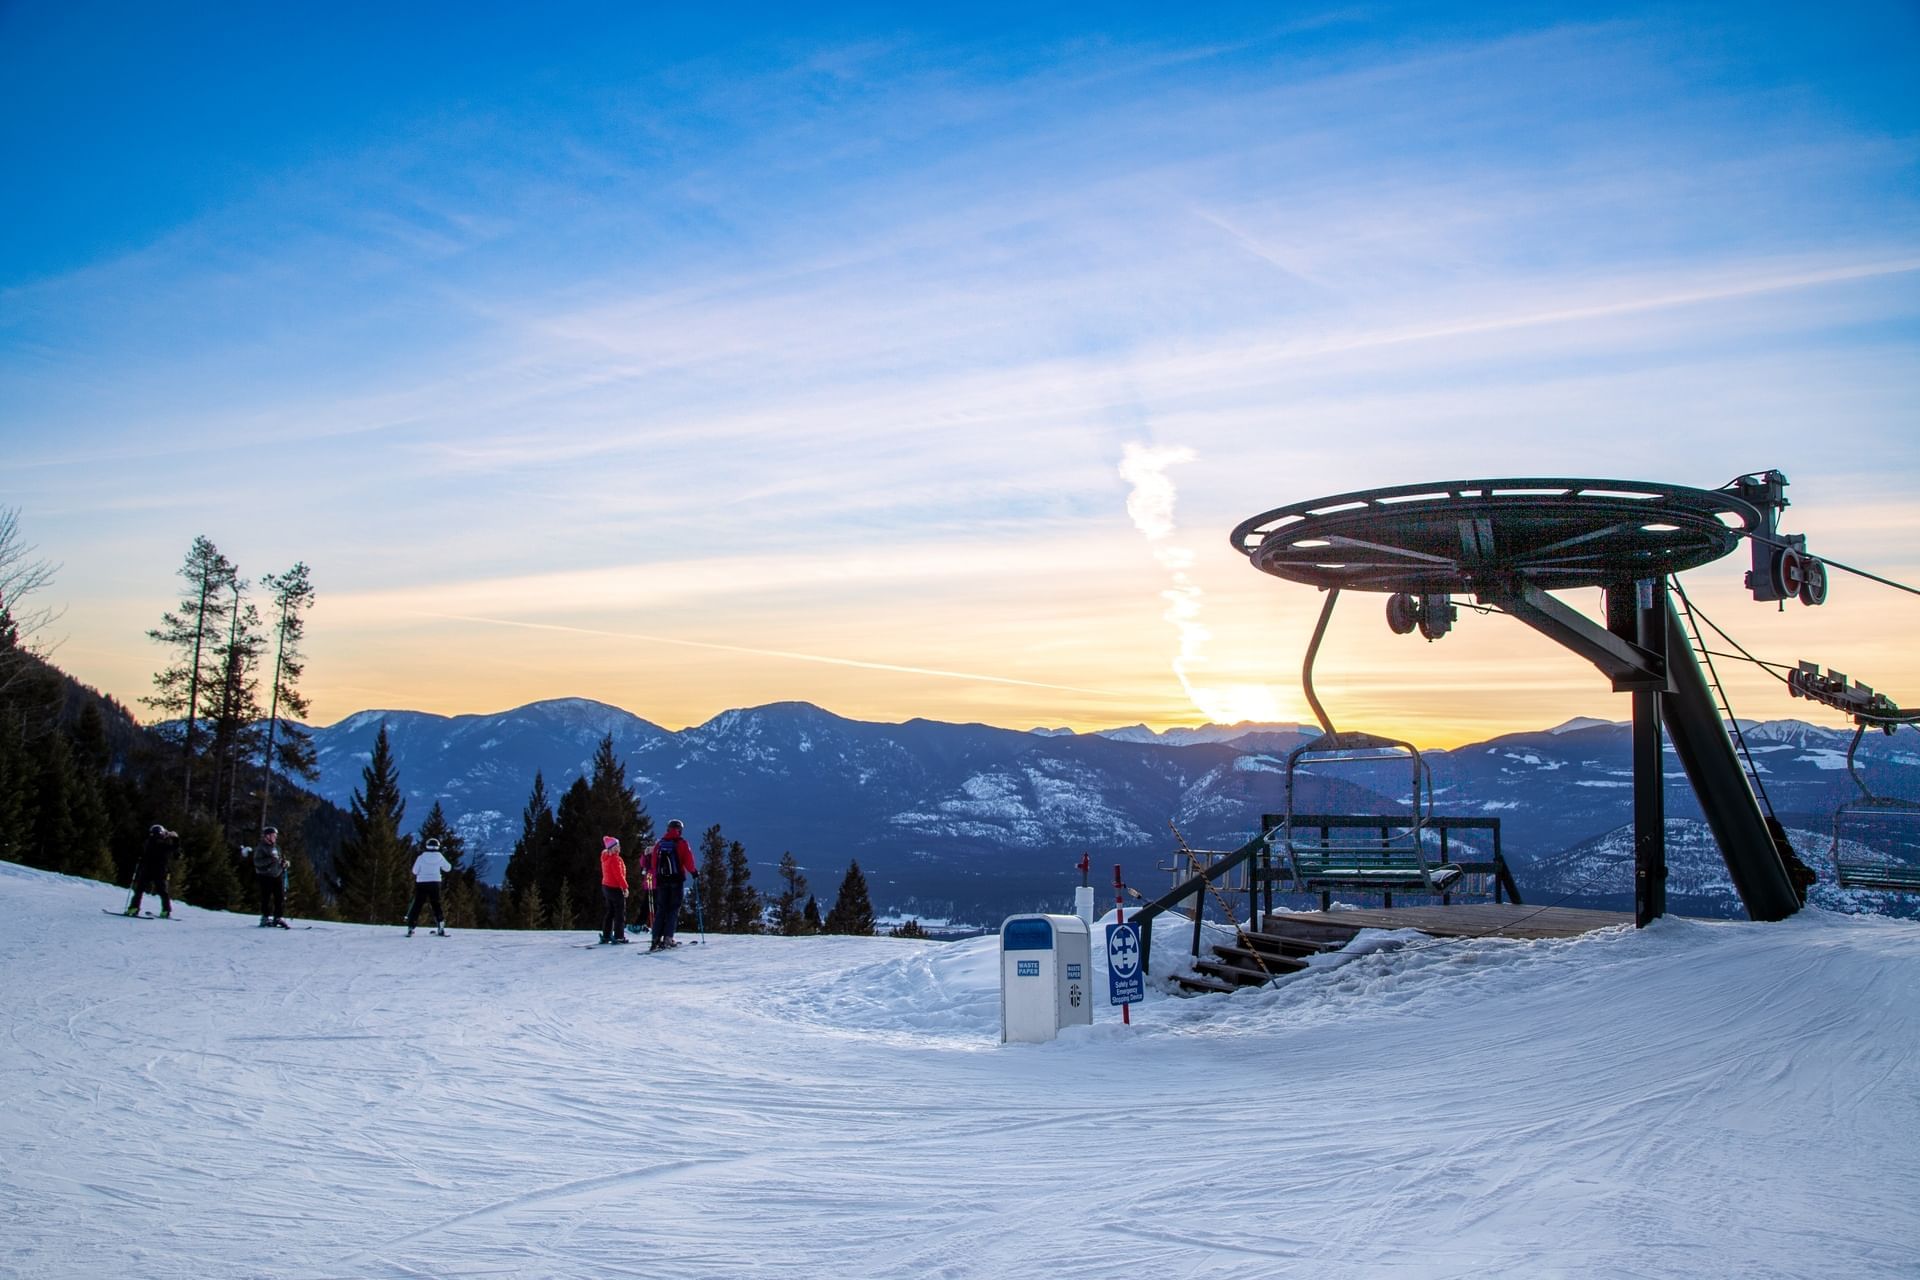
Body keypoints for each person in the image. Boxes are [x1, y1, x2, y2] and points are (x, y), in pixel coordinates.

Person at [644, 819, 697, 950]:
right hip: (676, 880)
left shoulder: (659, 844)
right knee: (673, 909)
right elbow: (688, 861)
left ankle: (655, 938)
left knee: (661, 909)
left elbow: (654, 864)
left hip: (662, 881)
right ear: (680, 830)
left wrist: (658, 876)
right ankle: (668, 938)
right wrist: (694, 872)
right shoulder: (682, 843)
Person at [126, 823, 178, 917]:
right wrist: (175, 837)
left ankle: (133, 908)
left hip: (147, 870)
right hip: (160, 872)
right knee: (162, 892)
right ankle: (166, 911)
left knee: (139, 890)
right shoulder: (163, 845)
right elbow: (175, 849)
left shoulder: (149, 843)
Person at [406, 838, 452, 937]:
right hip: (435, 883)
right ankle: (441, 927)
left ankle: (411, 927)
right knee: (436, 905)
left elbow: (414, 871)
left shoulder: (421, 857)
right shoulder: (440, 857)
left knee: (417, 905)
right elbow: (448, 868)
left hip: (421, 883)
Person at [253, 827, 289, 929]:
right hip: (265, 876)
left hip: (277, 875)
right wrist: (270, 860)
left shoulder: (276, 847)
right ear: (267, 836)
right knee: (266, 897)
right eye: (273, 836)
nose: (275, 838)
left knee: (280, 897)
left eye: (275, 836)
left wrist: (283, 863)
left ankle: (278, 917)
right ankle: (265, 918)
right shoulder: (261, 848)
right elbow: (257, 862)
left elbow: (279, 859)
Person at [598, 835, 630, 944]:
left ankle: (606, 935)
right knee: (619, 913)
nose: (620, 847)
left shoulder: (605, 856)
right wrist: (625, 888)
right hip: (615, 888)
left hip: (606, 887)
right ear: (613, 847)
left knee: (610, 911)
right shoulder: (615, 859)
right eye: (618, 845)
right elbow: (619, 876)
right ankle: (619, 936)